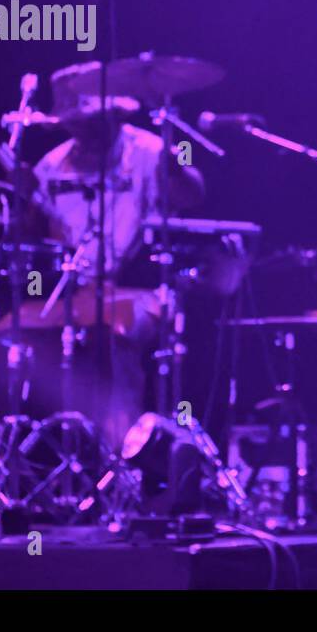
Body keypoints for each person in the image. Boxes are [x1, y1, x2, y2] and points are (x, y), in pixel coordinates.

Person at [28, 75, 204, 450]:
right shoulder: (50, 166)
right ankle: (48, 459)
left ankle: (122, 460)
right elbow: (45, 237)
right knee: (25, 332)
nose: (87, 136)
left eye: (94, 125)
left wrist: (177, 164)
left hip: (142, 289)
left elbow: (194, 193)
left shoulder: (152, 151)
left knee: (111, 333)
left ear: (115, 119)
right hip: (75, 291)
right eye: (78, 126)